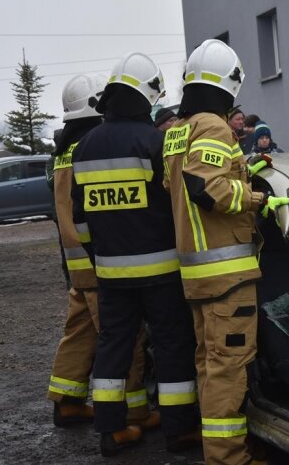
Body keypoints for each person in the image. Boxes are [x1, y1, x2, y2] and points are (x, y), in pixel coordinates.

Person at [163, 39, 289, 465]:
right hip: (226, 273)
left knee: (209, 365)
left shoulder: (179, 130)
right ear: (228, 84)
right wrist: (259, 200)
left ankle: (220, 450)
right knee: (227, 370)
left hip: (198, 274)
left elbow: (184, 183)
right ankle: (229, 458)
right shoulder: (213, 127)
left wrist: (243, 169)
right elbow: (207, 189)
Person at [71, 54, 198, 456]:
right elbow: (174, 206)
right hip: (162, 269)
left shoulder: (85, 147)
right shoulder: (153, 142)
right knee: (171, 344)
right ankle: (179, 431)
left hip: (110, 273)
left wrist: (101, 255)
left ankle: (112, 431)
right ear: (147, 96)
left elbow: (81, 220)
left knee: (114, 347)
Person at [48, 74, 156, 433]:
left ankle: (67, 403)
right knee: (125, 338)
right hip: (99, 263)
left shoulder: (66, 149)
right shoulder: (90, 147)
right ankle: (133, 412)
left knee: (79, 332)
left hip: (78, 264)